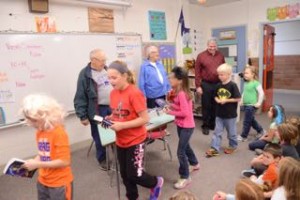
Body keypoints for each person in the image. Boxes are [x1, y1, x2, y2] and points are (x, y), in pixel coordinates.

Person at [106, 60, 163, 200]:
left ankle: (156, 182)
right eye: (109, 78)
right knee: (125, 174)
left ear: (124, 76)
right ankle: (133, 197)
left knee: (135, 174)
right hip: (120, 140)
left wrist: (122, 126)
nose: (111, 81)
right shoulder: (113, 93)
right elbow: (117, 113)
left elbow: (144, 119)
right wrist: (109, 118)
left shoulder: (134, 93)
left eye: (114, 77)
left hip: (136, 140)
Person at [21, 94, 73, 200]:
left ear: (45, 115)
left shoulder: (58, 133)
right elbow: (43, 153)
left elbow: (64, 161)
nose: (31, 124)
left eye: (34, 120)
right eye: (29, 120)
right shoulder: (40, 132)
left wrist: (37, 164)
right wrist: (32, 162)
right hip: (43, 180)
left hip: (59, 183)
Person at [74, 49, 112, 170]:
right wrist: (82, 116)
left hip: (112, 108)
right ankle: (102, 158)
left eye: (105, 60)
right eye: (101, 60)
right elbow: (80, 96)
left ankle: (118, 154)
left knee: (115, 131)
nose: (104, 62)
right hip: (97, 111)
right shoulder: (85, 74)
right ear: (93, 60)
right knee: (100, 135)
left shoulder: (107, 70)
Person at [165, 67, 199, 189]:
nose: (169, 79)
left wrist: (169, 112)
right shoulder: (180, 91)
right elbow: (179, 106)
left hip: (187, 126)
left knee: (180, 152)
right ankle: (194, 163)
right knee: (186, 146)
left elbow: (185, 113)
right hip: (181, 125)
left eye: (172, 77)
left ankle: (185, 177)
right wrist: (170, 105)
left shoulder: (182, 94)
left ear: (179, 80)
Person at [206, 64, 241, 157]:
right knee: (217, 132)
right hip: (219, 114)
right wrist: (217, 100)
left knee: (232, 133)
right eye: (219, 75)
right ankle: (214, 148)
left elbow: (238, 98)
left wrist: (226, 100)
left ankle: (233, 146)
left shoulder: (233, 85)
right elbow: (215, 95)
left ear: (229, 74)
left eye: (222, 74)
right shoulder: (218, 85)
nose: (220, 76)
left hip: (230, 115)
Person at [195, 38, 225, 135]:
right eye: (210, 46)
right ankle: (206, 125)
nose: (212, 48)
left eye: (214, 46)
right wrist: (198, 86)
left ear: (216, 46)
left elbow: (224, 69)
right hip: (206, 84)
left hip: (218, 84)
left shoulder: (220, 56)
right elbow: (197, 72)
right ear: (207, 46)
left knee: (216, 105)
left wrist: (225, 83)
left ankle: (213, 124)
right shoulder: (201, 56)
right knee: (206, 105)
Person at [238, 65, 264, 142]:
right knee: (251, 120)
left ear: (253, 74)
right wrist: (242, 100)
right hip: (246, 105)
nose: (244, 75)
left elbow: (261, 93)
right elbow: (244, 93)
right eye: (244, 73)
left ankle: (244, 136)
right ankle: (261, 130)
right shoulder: (246, 83)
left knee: (246, 121)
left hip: (251, 106)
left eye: (247, 73)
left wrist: (259, 103)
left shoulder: (256, 83)